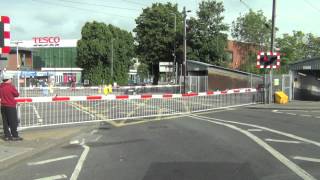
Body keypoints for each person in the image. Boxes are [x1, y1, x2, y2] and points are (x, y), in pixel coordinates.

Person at [0, 73, 23, 141]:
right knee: (13, 121)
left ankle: (7, 136)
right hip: (10, 106)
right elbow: (16, 94)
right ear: (8, 79)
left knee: (5, 122)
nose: (11, 80)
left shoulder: (0, 86)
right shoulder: (10, 86)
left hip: (3, 106)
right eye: (11, 79)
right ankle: (15, 135)